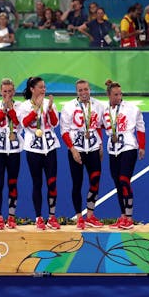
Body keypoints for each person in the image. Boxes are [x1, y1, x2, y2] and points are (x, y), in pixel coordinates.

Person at [60, 80, 106, 229]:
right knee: (77, 183)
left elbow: (99, 126)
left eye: (85, 89)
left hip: (93, 148)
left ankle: (91, 215)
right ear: (77, 92)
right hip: (77, 150)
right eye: (80, 90)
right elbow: (64, 131)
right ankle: (80, 217)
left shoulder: (98, 105)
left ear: (89, 89)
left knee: (95, 182)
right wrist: (72, 149)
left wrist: (100, 145)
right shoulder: (68, 107)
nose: (83, 92)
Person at [18, 76, 61, 230]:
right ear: (32, 89)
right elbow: (24, 123)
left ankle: (52, 217)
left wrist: (49, 109)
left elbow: (55, 123)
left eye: (44, 87)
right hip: (33, 149)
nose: (44, 90)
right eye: (41, 87)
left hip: (50, 147)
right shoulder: (24, 106)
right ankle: (39, 218)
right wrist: (35, 108)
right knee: (37, 183)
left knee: (52, 182)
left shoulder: (49, 104)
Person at [103, 80, 145, 230]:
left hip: (128, 146)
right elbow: (100, 125)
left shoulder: (132, 108)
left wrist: (142, 146)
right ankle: (122, 216)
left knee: (124, 180)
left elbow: (140, 126)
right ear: (108, 95)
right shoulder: (104, 109)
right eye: (115, 94)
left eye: (120, 94)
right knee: (117, 183)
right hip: (112, 149)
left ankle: (129, 217)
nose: (119, 97)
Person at [0, 78, 22, 230]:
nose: (7, 94)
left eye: (10, 91)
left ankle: (12, 216)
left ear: (13, 92)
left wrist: (11, 109)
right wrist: (4, 111)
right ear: (0, 92)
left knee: (12, 183)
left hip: (14, 149)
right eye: (4, 91)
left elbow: (20, 124)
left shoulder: (20, 106)